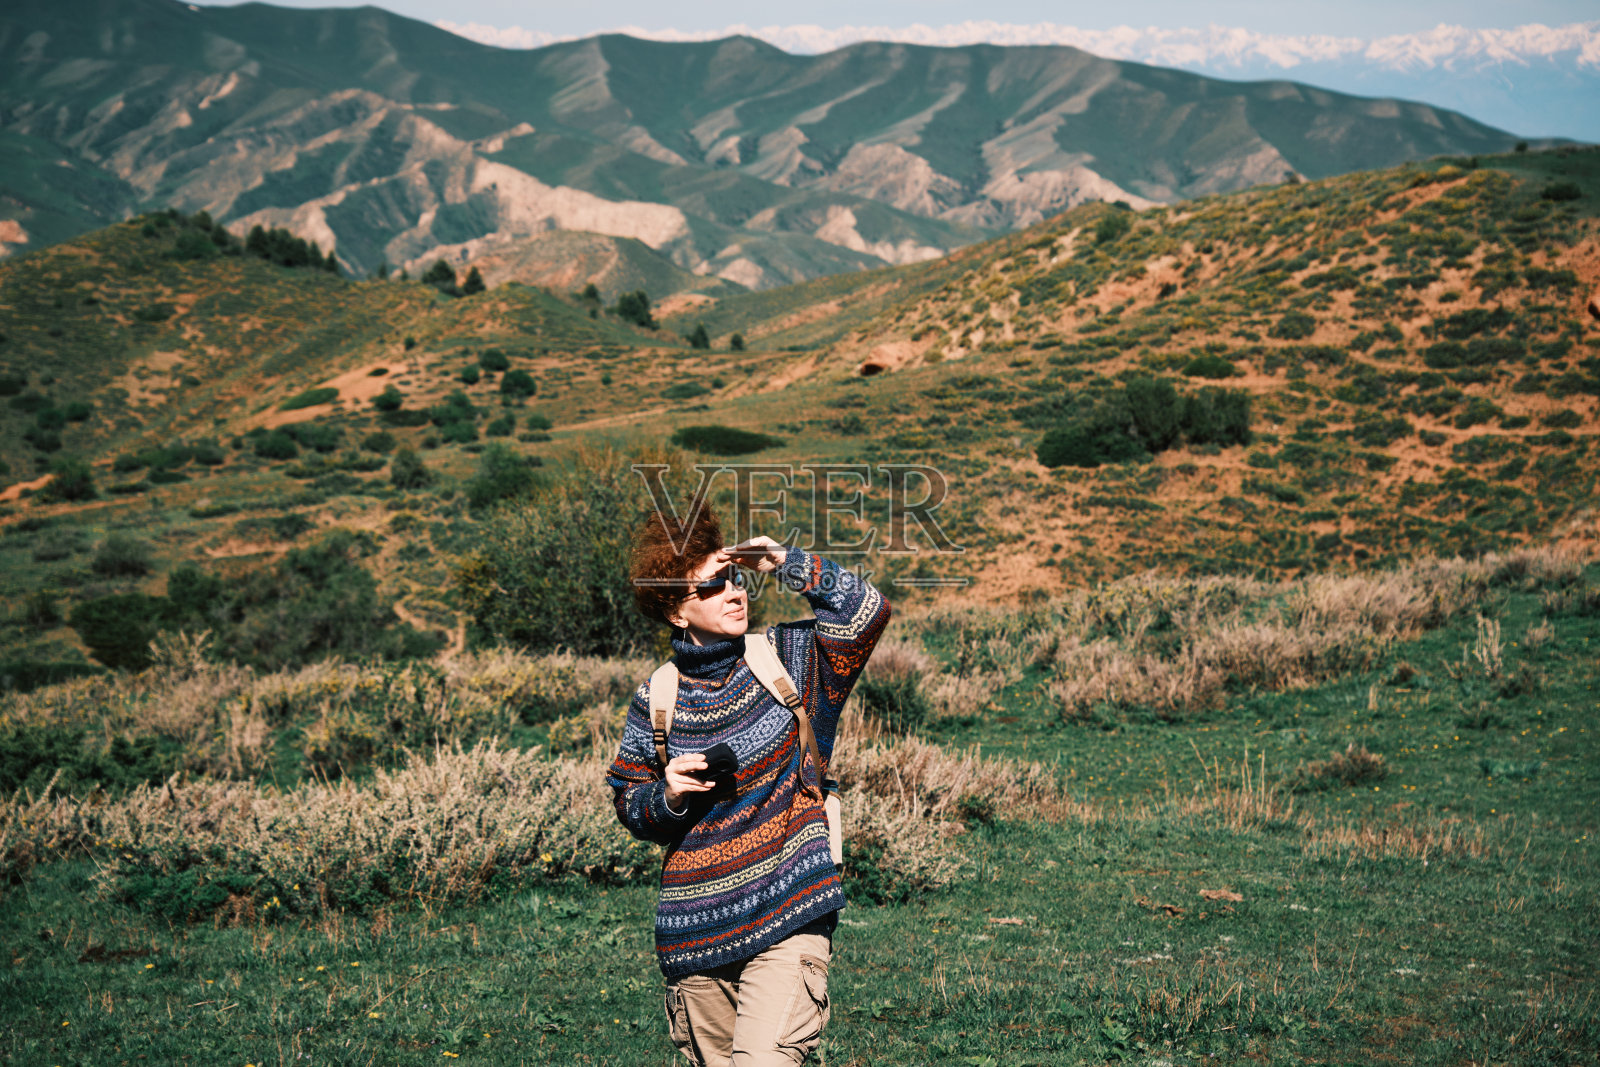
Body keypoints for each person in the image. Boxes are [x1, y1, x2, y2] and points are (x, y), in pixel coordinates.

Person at [606, 504, 891, 1066]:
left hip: (790, 912)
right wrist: (667, 795)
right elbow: (629, 801)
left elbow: (866, 612)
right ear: (675, 611)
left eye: (734, 577)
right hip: (695, 937)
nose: (734, 592)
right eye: (712, 586)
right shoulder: (656, 698)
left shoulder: (790, 657)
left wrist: (788, 563)